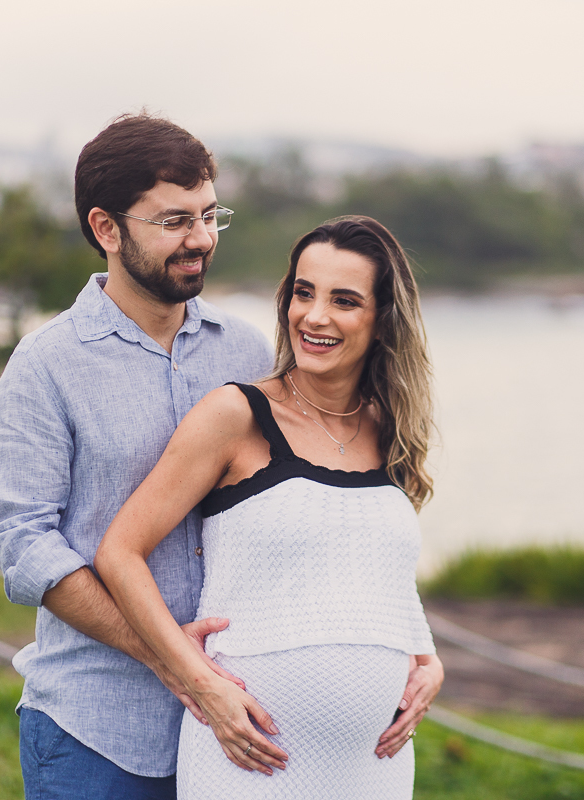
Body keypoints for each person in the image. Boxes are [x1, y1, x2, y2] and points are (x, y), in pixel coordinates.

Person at [0, 113, 274, 800]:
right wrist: (169, 657)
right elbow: (24, 544)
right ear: (107, 229)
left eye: (209, 216)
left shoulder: (249, 353)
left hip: (238, 726)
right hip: (93, 732)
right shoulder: (46, 365)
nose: (202, 238)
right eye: (175, 221)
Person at [96, 215, 445, 798]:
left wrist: (427, 657)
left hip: (373, 767)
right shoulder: (236, 415)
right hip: (250, 758)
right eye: (304, 293)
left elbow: (379, 573)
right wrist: (196, 678)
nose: (315, 316)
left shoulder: (390, 428)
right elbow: (119, 552)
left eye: (344, 300)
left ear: (383, 319)